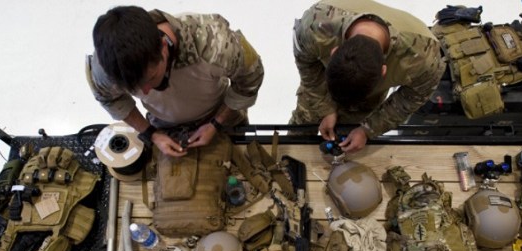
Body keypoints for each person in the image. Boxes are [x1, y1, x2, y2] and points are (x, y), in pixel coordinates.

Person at [86, 6, 264, 157]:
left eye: (151, 78)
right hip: (163, 126)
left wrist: (216, 123)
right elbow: (109, 99)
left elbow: (250, 79)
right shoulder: (106, 67)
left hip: (221, 115)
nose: (146, 92)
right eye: (134, 89)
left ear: (163, 47)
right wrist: (151, 134)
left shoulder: (215, 44)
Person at [291, 0, 445, 153]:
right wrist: (325, 109)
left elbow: (409, 100)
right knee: (306, 116)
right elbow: (308, 66)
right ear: (333, 52)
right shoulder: (315, 26)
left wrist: (367, 130)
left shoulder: (424, 59)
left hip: (366, 99)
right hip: (325, 81)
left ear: (384, 71)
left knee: (351, 130)